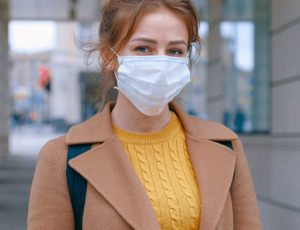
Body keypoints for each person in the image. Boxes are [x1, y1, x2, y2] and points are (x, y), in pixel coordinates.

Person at [27, 0, 262, 229]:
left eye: (174, 51)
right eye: (143, 48)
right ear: (109, 57)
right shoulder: (62, 158)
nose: (161, 63)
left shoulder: (225, 145)